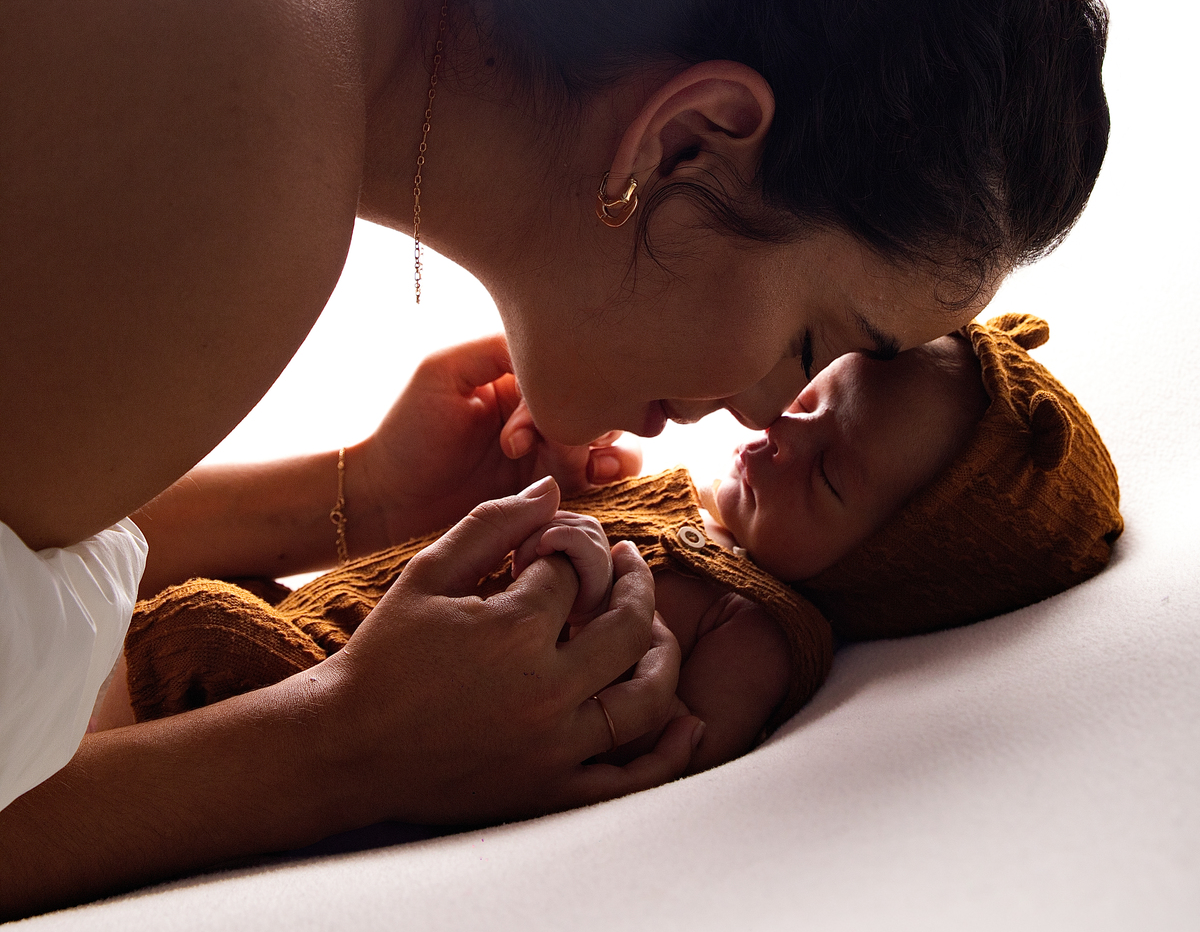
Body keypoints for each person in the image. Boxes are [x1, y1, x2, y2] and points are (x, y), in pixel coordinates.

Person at [0, 0, 1110, 917]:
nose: (769, 411)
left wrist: (353, 498)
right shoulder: (233, 151)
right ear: (689, 140)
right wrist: (345, 746)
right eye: (815, 344)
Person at [100, 314, 1122, 785]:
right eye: (815, 393)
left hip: (323, 683)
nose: (782, 428)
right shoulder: (676, 502)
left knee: (193, 630)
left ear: (882, 572)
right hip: (331, 633)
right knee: (186, 593)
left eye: (832, 479)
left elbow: (665, 756)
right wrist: (519, 486)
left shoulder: (754, 626)